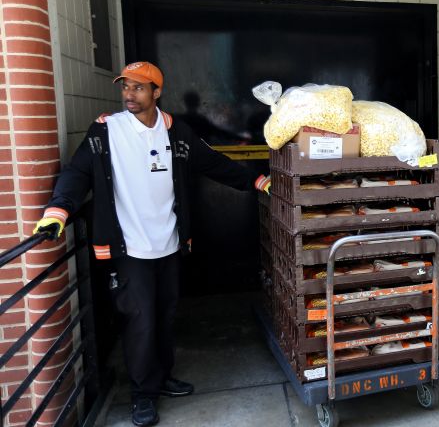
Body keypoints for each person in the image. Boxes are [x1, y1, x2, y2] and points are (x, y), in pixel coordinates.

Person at [32, 61, 271, 427]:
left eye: (139, 87)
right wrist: (58, 211)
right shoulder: (106, 132)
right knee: (140, 322)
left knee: (163, 316)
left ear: (157, 92)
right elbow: (77, 173)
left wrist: (256, 182)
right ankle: (143, 395)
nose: (129, 94)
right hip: (129, 250)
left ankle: (161, 378)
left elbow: (213, 163)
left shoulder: (177, 133)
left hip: (170, 245)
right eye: (125, 87)